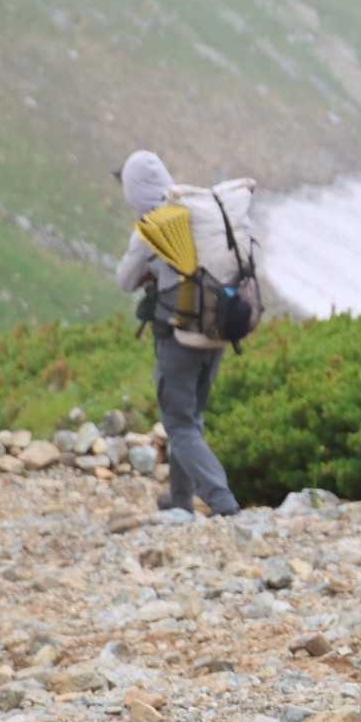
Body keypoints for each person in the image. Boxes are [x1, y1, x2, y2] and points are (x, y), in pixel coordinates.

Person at [115, 150, 241, 517]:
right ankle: (181, 498)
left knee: (179, 423)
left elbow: (125, 280)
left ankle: (222, 500)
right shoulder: (196, 212)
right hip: (217, 328)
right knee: (191, 418)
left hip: (178, 336)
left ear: (134, 191)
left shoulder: (153, 226)